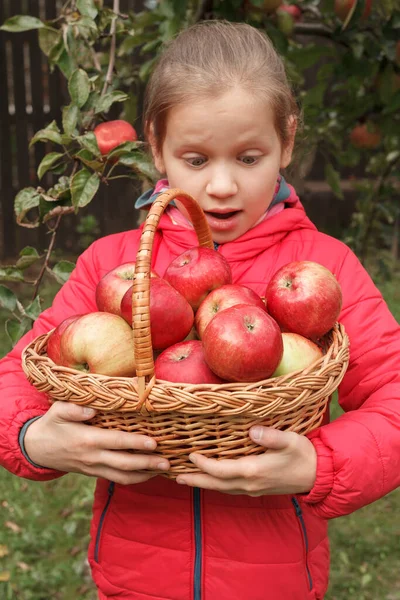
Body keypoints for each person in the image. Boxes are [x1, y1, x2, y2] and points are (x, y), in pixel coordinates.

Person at [0, 20, 399, 600]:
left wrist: (320, 464)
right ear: (156, 145)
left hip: (274, 584)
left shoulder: (324, 268)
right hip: (133, 579)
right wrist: (34, 436)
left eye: (248, 157)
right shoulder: (114, 269)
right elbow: (15, 377)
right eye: (194, 158)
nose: (220, 186)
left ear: (287, 140)